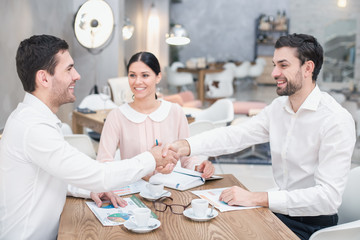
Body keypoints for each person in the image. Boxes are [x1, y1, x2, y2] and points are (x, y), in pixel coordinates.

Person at [164, 33, 356, 240]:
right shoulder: (279, 108)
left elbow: (327, 199)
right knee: (211, 227)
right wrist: (186, 145)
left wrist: (257, 197)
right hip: (279, 211)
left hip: (311, 225)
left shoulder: (335, 120)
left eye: (283, 65)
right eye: (275, 65)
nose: (274, 73)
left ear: (308, 68)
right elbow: (236, 135)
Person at [0, 35, 178, 240]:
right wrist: (151, 158)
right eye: (68, 69)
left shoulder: (34, 120)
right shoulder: (33, 128)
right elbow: (100, 174)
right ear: (44, 78)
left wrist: (89, 190)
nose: (77, 75)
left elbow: (50, 175)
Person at [97, 51, 214, 179]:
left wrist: (199, 167)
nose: (137, 82)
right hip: (133, 191)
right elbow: (104, 164)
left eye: (145, 75)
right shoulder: (117, 116)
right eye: (132, 75)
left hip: (172, 189)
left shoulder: (175, 111)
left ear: (158, 77)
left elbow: (187, 159)